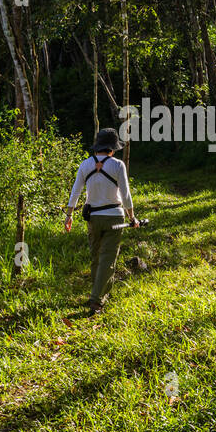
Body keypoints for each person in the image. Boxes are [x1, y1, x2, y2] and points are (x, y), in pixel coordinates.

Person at [65, 127, 139, 314]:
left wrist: (69, 215)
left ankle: (98, 293)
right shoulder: (118, 165)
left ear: (97, 147)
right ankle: (97, 299)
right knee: (108, 258)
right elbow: (126, 194)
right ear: (112, 150)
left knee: (96, 256)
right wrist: (132, 217)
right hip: (115, 216)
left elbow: (75, 192)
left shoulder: (85, 165)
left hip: (93, 218)